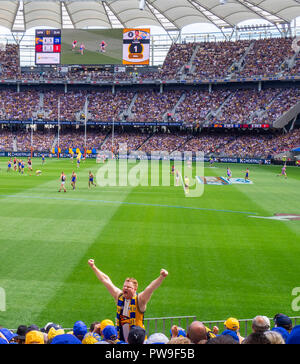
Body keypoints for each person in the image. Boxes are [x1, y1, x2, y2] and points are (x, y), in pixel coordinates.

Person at [87, 259, 168, 343]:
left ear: (135, 289)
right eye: (124, 286)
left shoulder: (139, 300)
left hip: (138, 341)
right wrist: (94, 267)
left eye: (128, 287)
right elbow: (106, 280)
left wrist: (161, 277)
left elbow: (150, 288)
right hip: (121, 340)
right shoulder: (119, 296)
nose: (125, 288)